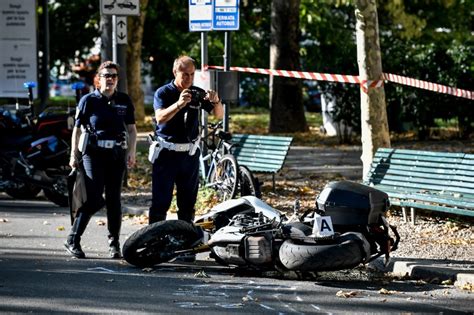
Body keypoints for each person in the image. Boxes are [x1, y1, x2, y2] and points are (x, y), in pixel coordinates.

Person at [65, 61, 137, 259]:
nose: (110, 79)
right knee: (95, 197)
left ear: (117, 79)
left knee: (114, 200)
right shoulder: (88, 100)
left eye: (114, 76)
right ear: (98, 78)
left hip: (116, 155)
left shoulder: (123, 100)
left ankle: (114, 243)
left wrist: (131, 151)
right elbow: (77, 130)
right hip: (93, 154)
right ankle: (73, 238)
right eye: (106, 75)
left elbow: (131, 129)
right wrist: (74, 155)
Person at [149, 55, 223, 224]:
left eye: (191, 74)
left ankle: (185, 241)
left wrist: (216, 101)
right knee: (161, 202)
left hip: (189, 155)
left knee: (188, 203)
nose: (189, 78)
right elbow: (160, 117)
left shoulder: (196, 92)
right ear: (175, 72)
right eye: (185, 74)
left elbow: (219, 116)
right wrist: (179, 104)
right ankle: (153, 241)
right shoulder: (164, 92)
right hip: (166, 154)